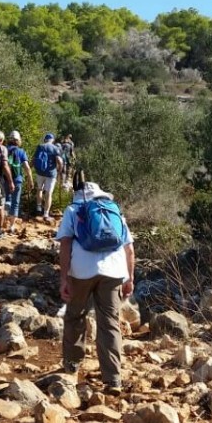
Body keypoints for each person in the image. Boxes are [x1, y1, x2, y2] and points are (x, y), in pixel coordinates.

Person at [55, 169, 134, 396]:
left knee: (75, 315)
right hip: (114, 272)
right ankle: (113, 379)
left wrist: (64, 279)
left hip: (82, 271)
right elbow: (129, 249)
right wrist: (129, 278)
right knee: (109, 323)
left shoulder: (74, 209)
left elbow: (65, 244)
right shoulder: (114, 210)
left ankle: (72, 366)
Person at [5, 130, 34, 234]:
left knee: (5, 199)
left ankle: (4, 216)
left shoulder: (4, 150)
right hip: (17, 180)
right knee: (15, 203)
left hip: (5, 179)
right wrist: (30, 180)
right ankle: (11, 226)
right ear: (18, 141)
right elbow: (26, 167)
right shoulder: (21, 152)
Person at [32, 133, 63, 223]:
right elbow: (59, 161)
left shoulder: (40, 146)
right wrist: (59, 170)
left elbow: (34, 159)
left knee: (39, 189)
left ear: (45, 139)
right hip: (51, 173)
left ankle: (38, 208)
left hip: (39, 172)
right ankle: (45, 214)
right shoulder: (55, 148)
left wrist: (29, 168)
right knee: (49, 193)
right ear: (52, 140)